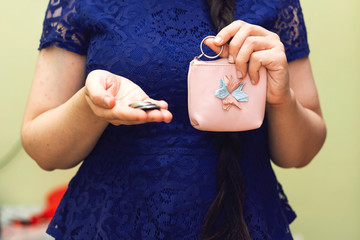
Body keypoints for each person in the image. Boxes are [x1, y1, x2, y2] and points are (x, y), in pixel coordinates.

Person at [21, 0, 326, 239]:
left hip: (246, 225)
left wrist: (282, 97)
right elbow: (43, 149)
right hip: (111, 225)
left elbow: (300, 154)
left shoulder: (279, 3)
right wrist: (90, 106)